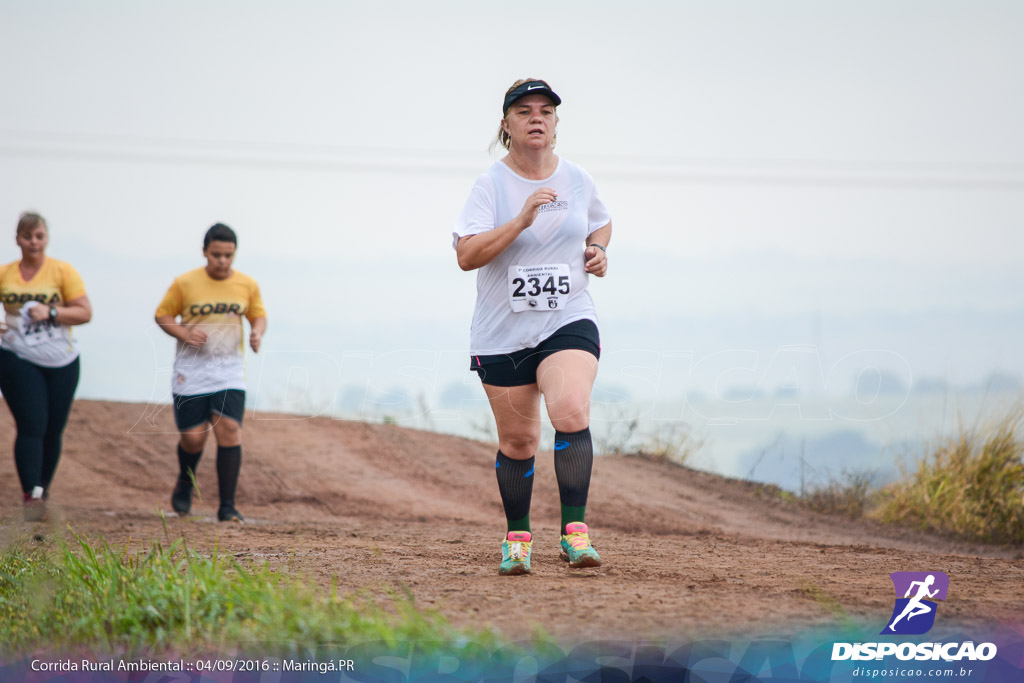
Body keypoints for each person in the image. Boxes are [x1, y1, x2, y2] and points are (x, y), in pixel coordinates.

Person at [453, 79, 612, 575]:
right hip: (503, 332)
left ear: (556, 124)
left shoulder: (578, 179)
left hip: (567, 318)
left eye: (545, 111)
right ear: (506, 125)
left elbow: (601, 221)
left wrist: (598, 249)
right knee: (520, 443)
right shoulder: (490, 186)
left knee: (569, 409)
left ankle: (575, 532)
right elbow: (466, 255)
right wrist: (520, 220)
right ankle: (518, 538)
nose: (536, 118)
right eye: (524, 111)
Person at [155, 223, 266, 523]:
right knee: (193, 438)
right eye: (216, 254)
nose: (222, 261)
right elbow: (162, 315)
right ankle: (185, 482)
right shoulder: (185, 283)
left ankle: (227, 507)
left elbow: (257, 314)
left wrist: (256, 333)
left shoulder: (246, 284)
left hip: (229, 370)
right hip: (191, 371)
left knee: (229, 430)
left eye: (228, 255)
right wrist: (183, 333)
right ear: (205, 252)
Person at [0, 212, 92, 521]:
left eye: (39, 236)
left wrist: (51, 311)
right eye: (28, 237)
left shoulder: (63, 272)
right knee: (32, 423)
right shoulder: (6, 273)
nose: (34, 242)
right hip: (16, 356)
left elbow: (84, 312)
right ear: (17, 240)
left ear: (47, 238)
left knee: (53, 428)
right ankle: (31, 495)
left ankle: (42, 490)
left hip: (61, 359)